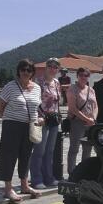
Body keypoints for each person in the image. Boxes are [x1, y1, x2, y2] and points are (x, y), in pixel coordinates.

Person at [0, 59, 43, 203]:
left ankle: (24, 185)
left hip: (30, 126)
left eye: (29, 70)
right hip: (12, 126)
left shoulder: (37, 88)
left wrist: (39, 118)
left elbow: (36, 107)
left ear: (32, 73)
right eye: (23, 69)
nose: (25, 72)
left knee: (26, 156)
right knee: (8, 156)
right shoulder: (10, 86)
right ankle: (8, 189)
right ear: (18, 71)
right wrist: (10, 118)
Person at [29, 57, 62, 189]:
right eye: (50, 66)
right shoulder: (38, 82)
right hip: (42, 119)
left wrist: (59, 116)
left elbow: (57, 102)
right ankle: (36, 179)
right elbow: (34, 101)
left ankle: (49, 177)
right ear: (46, 67)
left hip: (54, 120)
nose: (53, 69)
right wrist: (38, 117)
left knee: (50, 151)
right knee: (39, 150)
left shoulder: (57, 82)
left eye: (56, 67)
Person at [67, 68, 98, 173]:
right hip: (77, 122)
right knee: (74, 149)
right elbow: (73, 108)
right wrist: (87, 119)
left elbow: (96, 106)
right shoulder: (72, 89)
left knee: (87, 149)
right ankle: (72, 173)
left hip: (90, 123)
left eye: (86, 75)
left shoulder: (91, 90)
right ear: (77, 76)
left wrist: (93, 118)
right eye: (81, 75)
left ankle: (84, 172)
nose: (83, 77)